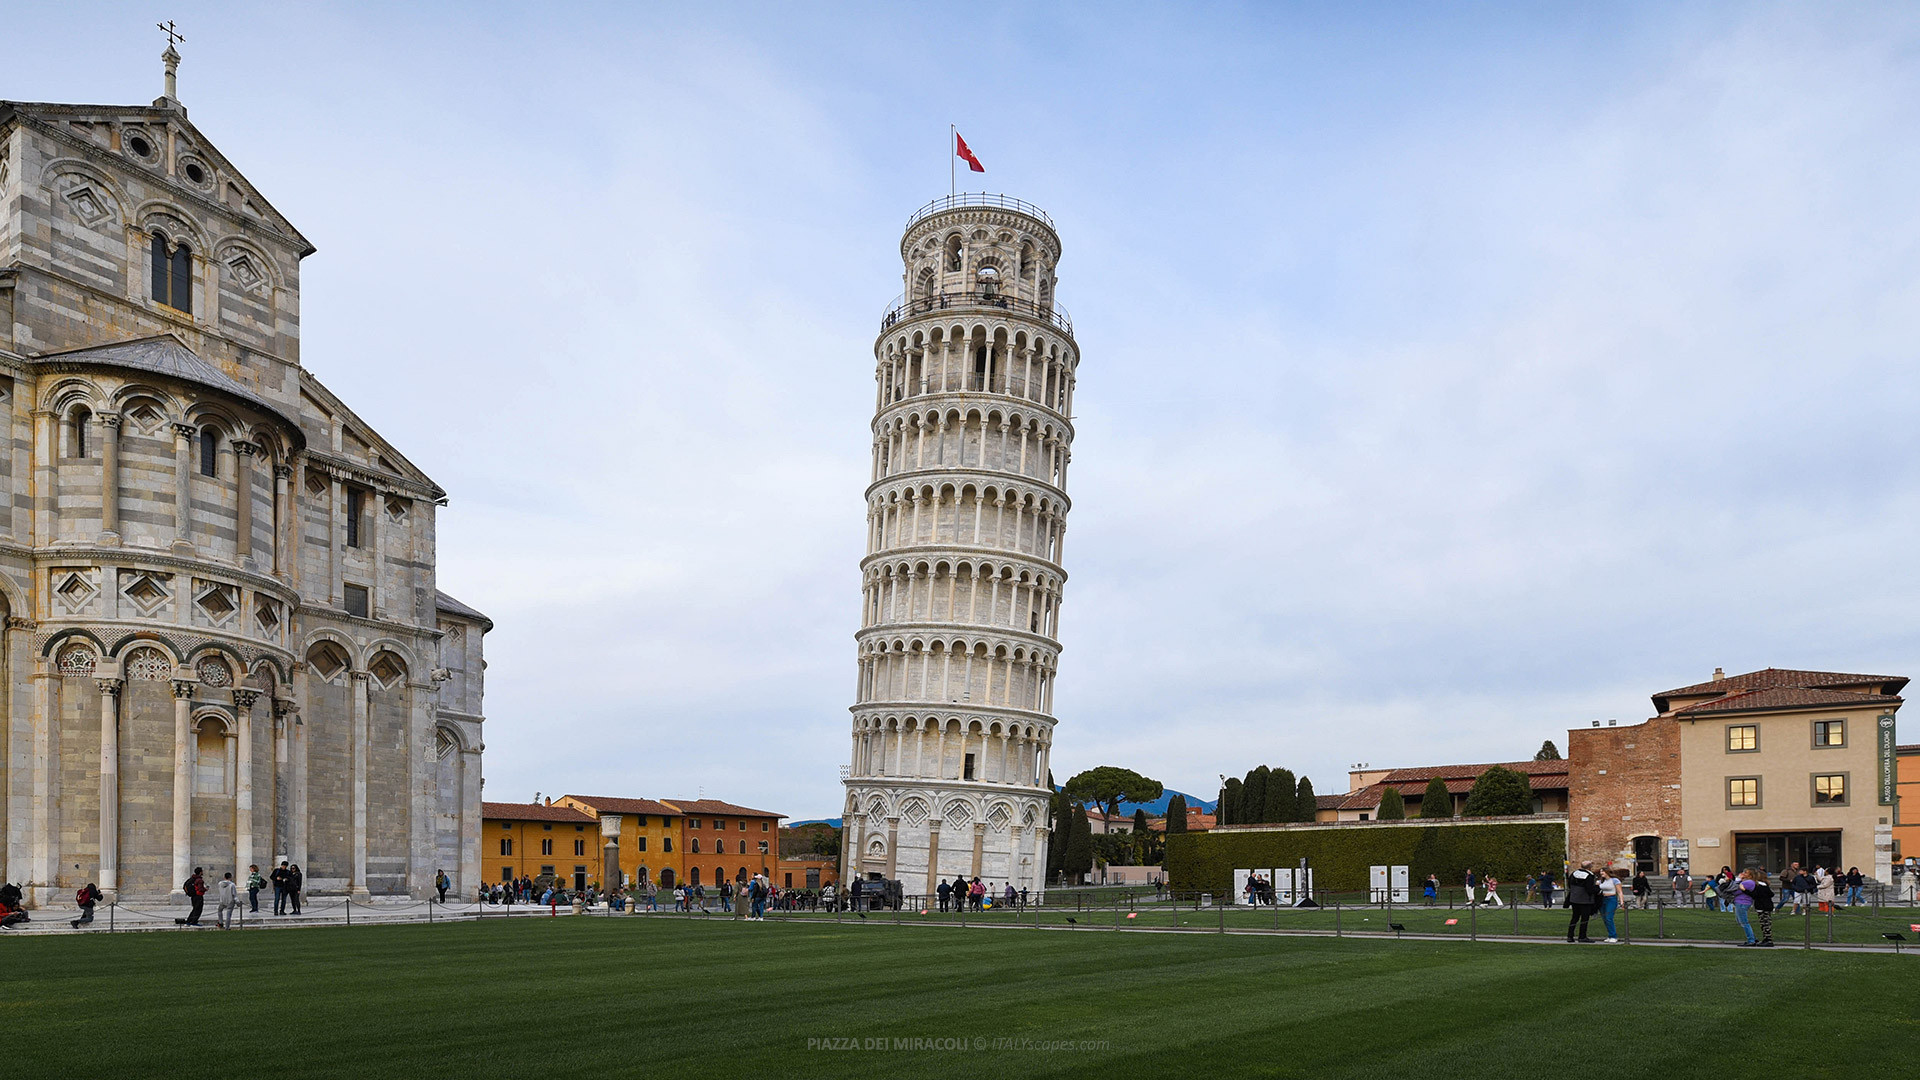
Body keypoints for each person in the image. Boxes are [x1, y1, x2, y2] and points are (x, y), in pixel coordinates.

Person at [1564, 860, 1600, 943]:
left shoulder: (1574, 873)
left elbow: (1570, 885)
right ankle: (1582, 936)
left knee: (1574, 918)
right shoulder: (1589, 876)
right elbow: (1589, 889)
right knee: (1584, 919)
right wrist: (1598, 889)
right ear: (1590, 867)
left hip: (1574, 899)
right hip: (1585, 900)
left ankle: (1570, 936)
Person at [1727, 868, 1757, 945]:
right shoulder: (1745, 882)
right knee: (1740, 921)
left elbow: (1733, 890)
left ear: (1750, 875)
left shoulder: (1749, 882)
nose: (1743, 873)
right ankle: (1752, 937)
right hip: (1740, 902)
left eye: (1745, 872)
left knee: (1744, 922)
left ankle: (1751, 940)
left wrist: (1738, 879)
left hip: (1742, 902)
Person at [1595, 867, 1622, 943]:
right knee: (1604, 918)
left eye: (1602, 871)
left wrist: (1621, 901)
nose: (1601, 873)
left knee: (1608, 917)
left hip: (1611, 899)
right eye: (1600, 872)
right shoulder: (1600, 881)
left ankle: (1613, 936)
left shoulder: (1615, 880)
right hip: (1602, 899)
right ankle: (1610, 935)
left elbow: (1619, 892)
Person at [1752, 869, 1775, 947]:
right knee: (1764, 923)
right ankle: (1766, 938)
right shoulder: (1765, 886)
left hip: (1762, 906)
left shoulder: (1760, 886)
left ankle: (1768, 940)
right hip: (1766, 905)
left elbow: (1754, 895)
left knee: (1765, 923)